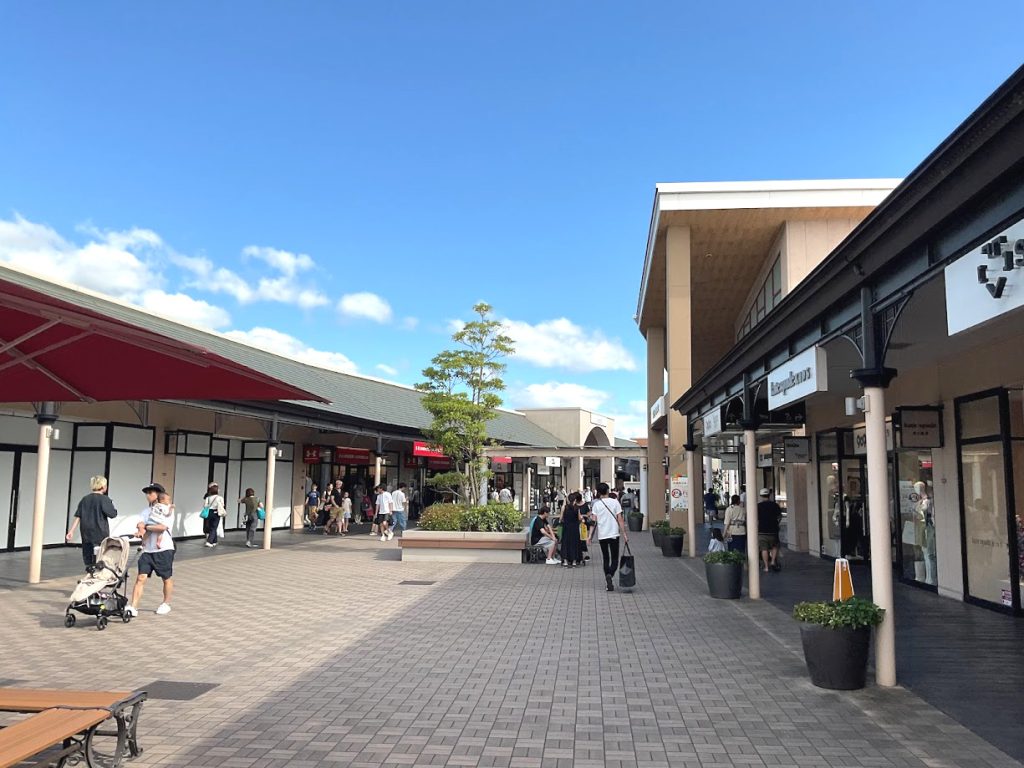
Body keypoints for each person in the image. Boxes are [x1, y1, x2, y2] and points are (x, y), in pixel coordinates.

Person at [127, 482, 174, 617]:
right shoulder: (146, 511)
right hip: (147, 550)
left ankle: (166, 603)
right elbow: (140, 523)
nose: (147, 495)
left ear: (158, 494)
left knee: (166, 578)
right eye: (146, 493)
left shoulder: (167, 509)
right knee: (140, 577)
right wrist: (141, 528)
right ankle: (133, 606)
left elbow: (162, 527)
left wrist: (146, 527)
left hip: (163, 549)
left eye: (150, 493)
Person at [66, 475, 118, 570]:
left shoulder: (84, 499)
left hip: (86, 533)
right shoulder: (104, 499)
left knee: (88, 556)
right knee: (100, 555)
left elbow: (78, 516)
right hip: (100, 533)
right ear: (103, 486)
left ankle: (90, 571)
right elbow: (112, 514)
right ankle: (99, 572)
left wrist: (71, 531)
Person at [589, 482, 627, 591]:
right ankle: (610, 575)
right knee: (615, 558)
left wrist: (589, 536)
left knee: (606, 558)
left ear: (598, 492)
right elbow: (620, 519)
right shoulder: (615, 502)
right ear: (607, 491)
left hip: (602, 535)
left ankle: (607, 578)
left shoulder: (596, 505)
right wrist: (624, 534)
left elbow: (593, 522)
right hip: (614, 534)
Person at [757, 488, 783, 573]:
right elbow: (779, 516)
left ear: (761, 496)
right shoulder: (775, 505)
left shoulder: (758, 506)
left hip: (762, 530)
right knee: (774, 546)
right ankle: (772, 562)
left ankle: (766, 567)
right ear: (769, 495)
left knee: (764, 549)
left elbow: (755, 518)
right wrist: (776, 523)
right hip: (773, 530)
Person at [560, 492, 584, 567]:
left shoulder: (564, 507)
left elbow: (561, 519)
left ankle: (565, 561)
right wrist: (582, 519)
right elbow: (579, 518)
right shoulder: (577, 508)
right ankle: (574, 561)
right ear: (575, 500)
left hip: (566, 527)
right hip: (575, 528)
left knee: (565, 543)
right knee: (575, 543)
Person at [203, 482, 226, 547]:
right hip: (216, 513)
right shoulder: (220, 498)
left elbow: (205, 506)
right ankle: (209, 541)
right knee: (214, 527)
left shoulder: (208, 497)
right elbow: (222, 505)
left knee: (212, 527)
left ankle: (214, 541)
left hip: (209, 513)